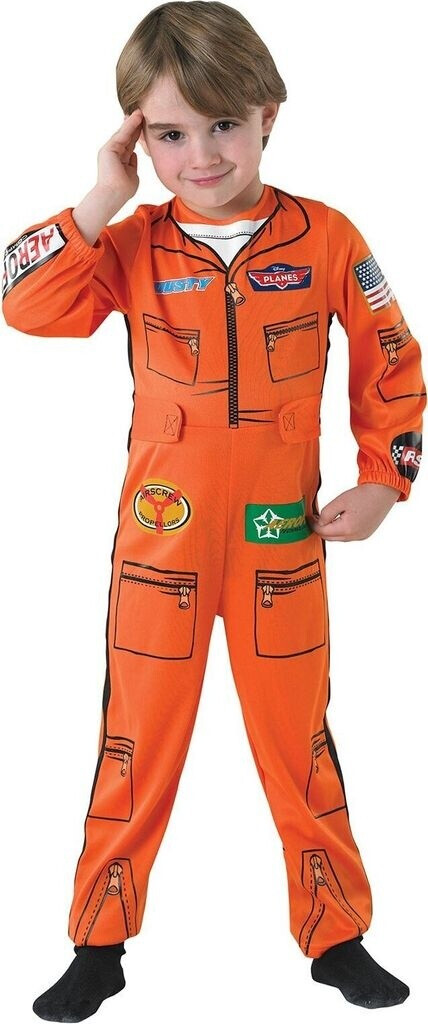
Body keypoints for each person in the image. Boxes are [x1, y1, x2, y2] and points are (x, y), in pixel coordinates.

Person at [2, 2, 426, 1019]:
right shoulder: (129, 243)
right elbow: (23, 304)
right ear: (136, 138)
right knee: (134, 739)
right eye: (168, 133)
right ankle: (98, 943)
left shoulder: (327, 237)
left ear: (268, 115)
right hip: (161, 545)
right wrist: (101, 198)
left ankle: (336, 936)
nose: (200, 156)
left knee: (298, 740)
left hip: (282, 542)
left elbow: (392, 360)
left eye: (224, 124)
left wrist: (385, 477)